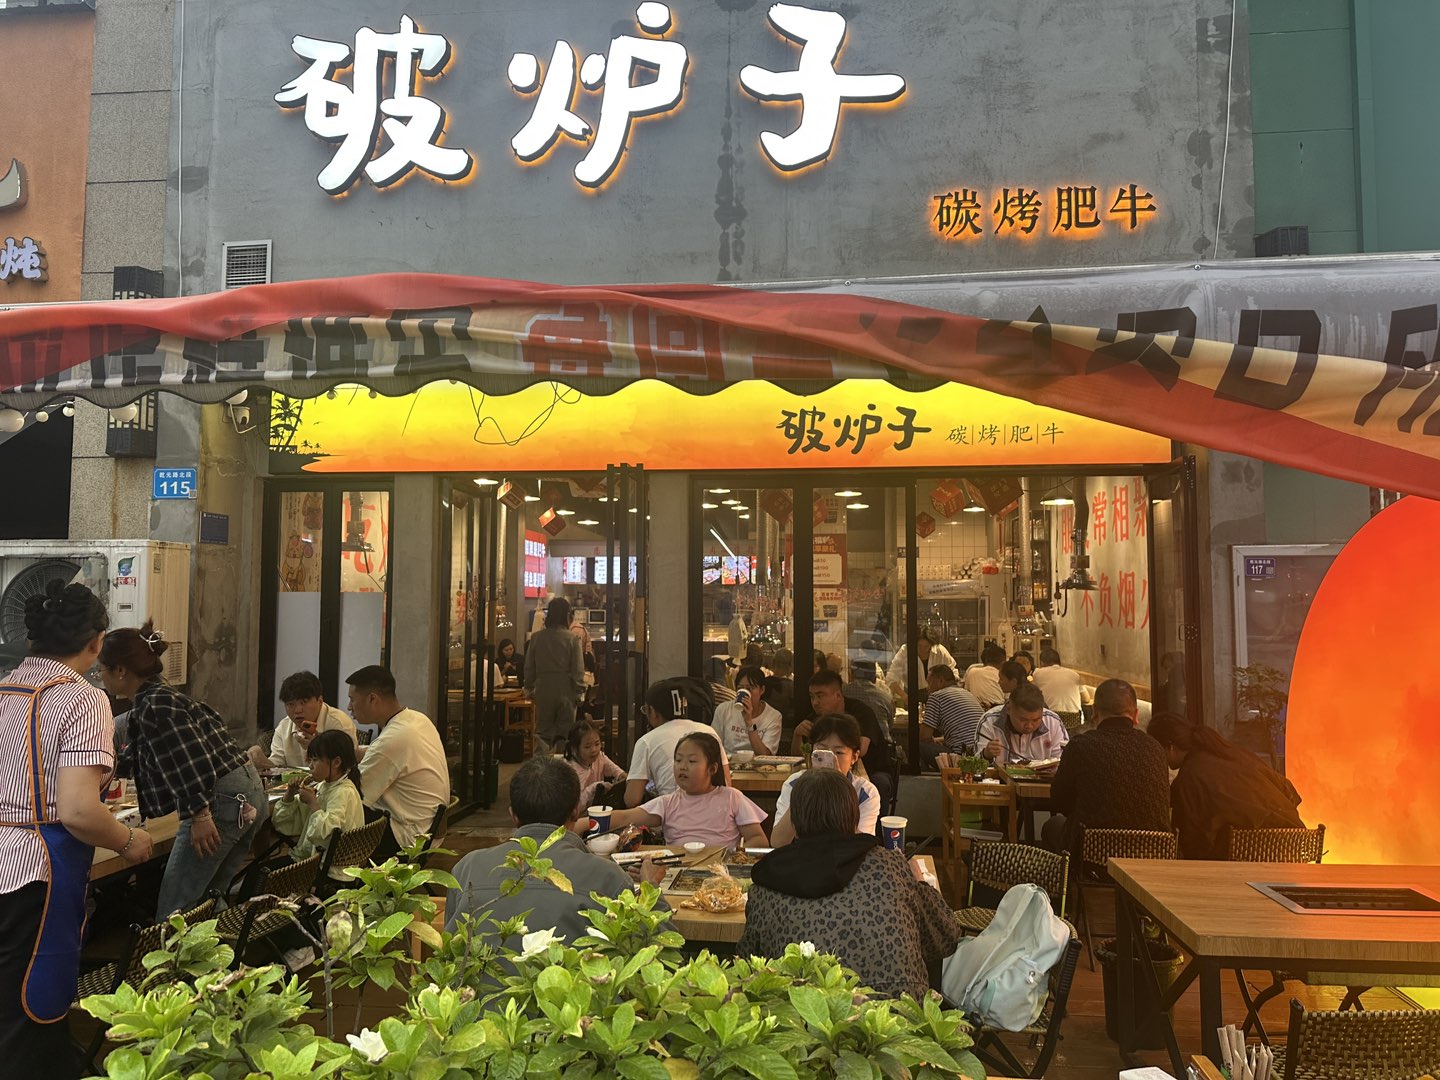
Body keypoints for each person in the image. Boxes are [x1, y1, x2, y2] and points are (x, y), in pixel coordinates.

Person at [0, 583, 154, 1076]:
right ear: (96, 641)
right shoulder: (83, 699)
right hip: (36, 873)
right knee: (33, 1011)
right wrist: (129, 841)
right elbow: (78, 811)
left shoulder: (5, 689)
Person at [739, 769, 961, 1000]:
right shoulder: (889, 865)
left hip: (804, 1017)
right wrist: (920, 883)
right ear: (855, 817)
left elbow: (748, 967)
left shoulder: (767, 883)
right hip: (897, 1015)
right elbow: (946, 936)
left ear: (793, 823)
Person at [102, 621, 269, 918]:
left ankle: (176, 950)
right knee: (208, 898)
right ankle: (225, 948)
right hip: (244, 793)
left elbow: (190, 759)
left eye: (101, 670)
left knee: (176, 910)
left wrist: (200, 815)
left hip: (221, 801)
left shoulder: (155, 704)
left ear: (121, 671)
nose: (100, 677)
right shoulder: (158, 698)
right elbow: (143, 756)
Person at [445, 756, 660, 940]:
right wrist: (651, 888)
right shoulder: (609, 876)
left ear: (513, 816)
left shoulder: (466, 869)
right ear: (576, 812)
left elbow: (450, 950)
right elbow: (651, 945)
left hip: (474, 978)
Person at [1147, 711, 1305, 860]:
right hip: (1295, 845)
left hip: (1248, 860)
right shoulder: (1231, 753)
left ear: (1170, 747)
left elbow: (1192, 842)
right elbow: (1288, 791)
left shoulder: (1189, 778)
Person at [1041, 679, 1170, 856]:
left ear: (1094, 713)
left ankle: (1064, 875)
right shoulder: (1155, 748)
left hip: (1093, 852)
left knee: (1052, 825)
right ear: (1135, 715)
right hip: (1152, 852)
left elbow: (1060, 801)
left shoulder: (1080, 746)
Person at [348, 665, 450, 859]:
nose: (349, 707)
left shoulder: (393, 739)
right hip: (430, 829)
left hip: (408, 838)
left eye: (352, 699)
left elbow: (352, 795)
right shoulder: (416, 719)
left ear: (372, 699)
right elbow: (382, 753)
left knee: (337, 813)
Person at [610, 732, 768, 848]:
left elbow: (759, 840)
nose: (682, 766)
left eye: (692, 761)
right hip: (677, 871)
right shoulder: (668, 803)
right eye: (678, 760)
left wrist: (730, 856)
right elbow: (625, 817)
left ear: (712, 768)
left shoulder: (732, 797)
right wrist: (593, 820)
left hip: (721, 873)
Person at [270, 729, 366, 881]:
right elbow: (284, 824)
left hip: (328, 869)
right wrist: (290, 794)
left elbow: (326, 836)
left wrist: (313, 803)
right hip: (313, 859)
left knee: (261, 876)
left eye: (315, 760)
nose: (310, 766)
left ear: (336, 762)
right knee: (258, 873)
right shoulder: (324, 785)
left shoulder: (343, 792)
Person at [770, 715, 881, 845]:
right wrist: (804, 791)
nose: (831, 759)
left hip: (844, 857)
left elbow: (862, 845)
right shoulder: (794, 784)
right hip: (804, 855)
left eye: (838, 752)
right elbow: (778, 842)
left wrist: (840, 789)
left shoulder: (865, 792)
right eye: (821, 750)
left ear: (854, 757)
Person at [793, 670, 894, 811]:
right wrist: (797, 735)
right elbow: (799, 756)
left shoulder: (862, 713)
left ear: (838, 695)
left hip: (873, 769)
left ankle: (876, 825)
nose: (815, 702)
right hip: (827, 772)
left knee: (879, 783)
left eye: (820, 696)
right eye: (812, 697)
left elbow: (861, 750)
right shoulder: (814, 719)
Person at [624, 680, 730, 807]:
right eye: (678, 760)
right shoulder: (709, 731)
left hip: (671, 811)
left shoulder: (647, 741)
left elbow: (632, 799)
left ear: (652, 711)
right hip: (717, 809)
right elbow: (726, 783)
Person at [248, 670, 357, 771]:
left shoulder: (338, 723)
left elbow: (348, 768)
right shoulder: (284, 726)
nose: (297, 710)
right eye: (291, 704)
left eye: (303, 702)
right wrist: (260, 760)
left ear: (320, 700)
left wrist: (318, 749)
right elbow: (276, 768)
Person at [525, 598, 586, 754]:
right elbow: (578, 669)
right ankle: (562, 763)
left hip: (543, 689)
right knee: (565, 734)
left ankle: (540, 764)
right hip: (566, 689)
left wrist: (529, 688)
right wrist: (579, 691)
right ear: (566, 615)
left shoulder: (536, 637)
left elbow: (529, 666)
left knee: (542, 733)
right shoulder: (572, 638)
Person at [975, 683, 1070, 765]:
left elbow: (1064, 762)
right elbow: (975, 766)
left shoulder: (1053, 722)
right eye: (1023, 720)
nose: (1029, 726)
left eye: (1036, 720)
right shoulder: (989, 721)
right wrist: (986, 755)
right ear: (1009, 709)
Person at [918, 665, 985, 766]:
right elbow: (963, 732)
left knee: (917, 745)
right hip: (980, 755)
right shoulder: (967, 694)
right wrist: (938, 740)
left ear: (940, 681)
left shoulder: (936, 697)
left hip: (960, 756)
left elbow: (924, 737)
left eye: (929, 682)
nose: (928, 687)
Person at [711, 664, 782, 755]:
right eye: (740, 688)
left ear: (762, 690)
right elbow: (714, 745)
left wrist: (749, 723)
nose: (746, 692)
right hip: (730, 761)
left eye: (750, 688)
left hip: (757, 763)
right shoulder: (724, 709)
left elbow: (765, 756)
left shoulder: (773, 716)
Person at [564, 719, 626, 814]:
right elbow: (576, 807)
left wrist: (623, 776)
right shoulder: (570, 770)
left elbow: (616, 770)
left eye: (597, 744)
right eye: (587, 746)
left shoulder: (599, 757)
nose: (594, 750)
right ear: (574, 749)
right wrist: (594, 788)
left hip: (597, 811)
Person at [885, 632, 957, 697]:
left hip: (938, 694)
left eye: (926, 646)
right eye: (919, 646)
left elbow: (953, 672)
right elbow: (891, 677)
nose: (923, 649)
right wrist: (904, 697)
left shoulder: (939, 650)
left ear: (931, 644)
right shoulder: (905, 651)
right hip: (911, 694)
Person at [1030, 648, 1085, 729]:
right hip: (1074, 721)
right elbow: (1086, 698)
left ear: (1042, 663)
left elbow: (1032, 695)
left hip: (1050, 720)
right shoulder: (1074, 674)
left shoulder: (1037, 673)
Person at [961, 644, 1007, 708]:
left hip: (975, 710)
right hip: (998, 710)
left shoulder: (972, 671)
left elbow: (966, 693)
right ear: (1003, 663)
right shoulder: (1004, 676)